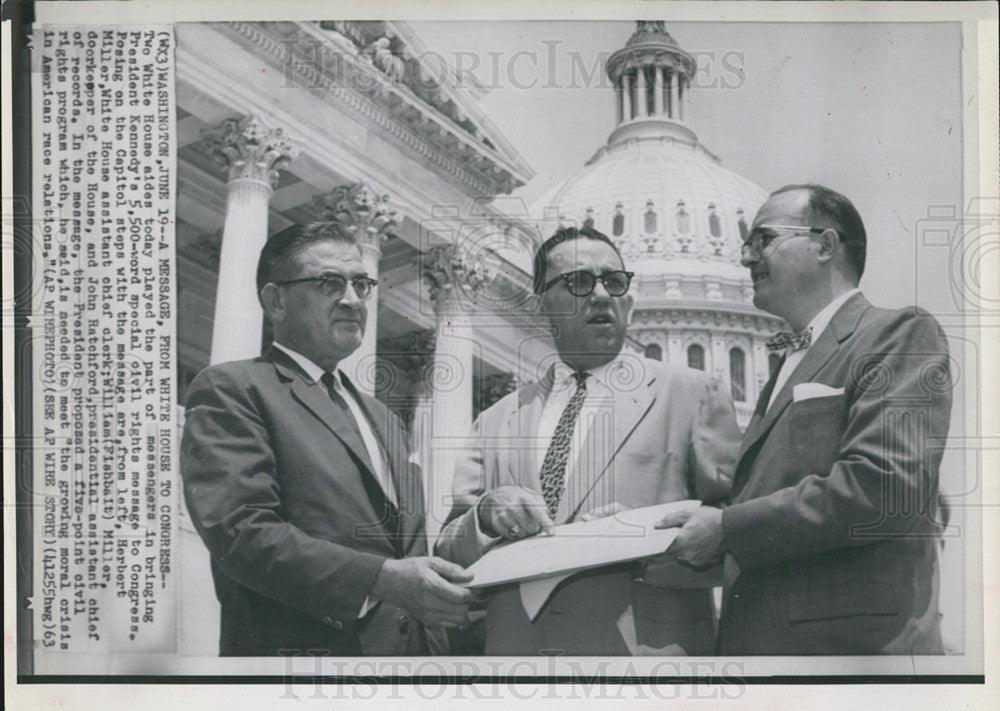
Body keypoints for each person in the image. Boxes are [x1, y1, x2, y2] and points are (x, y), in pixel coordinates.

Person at [657, 184, 952, 655]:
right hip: (775, 651)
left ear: (825, 245)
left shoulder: (897, 333)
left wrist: (729, 528)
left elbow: (885, 485)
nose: (747, 258)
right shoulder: (788, 366)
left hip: (851, 655)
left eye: (762, 240)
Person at [435, 226, 741, 656]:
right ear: (541, 303)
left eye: (613, 282)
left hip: (645, 669)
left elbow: (740, 530)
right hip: (520, 669)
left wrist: (645, 539)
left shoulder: (692, 394)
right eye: (578, 282)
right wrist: (485, 516)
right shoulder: (497, 418)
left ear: (628, 301)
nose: (600, 295)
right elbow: (449, 550)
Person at [181, 221, 475, 656]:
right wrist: (380, 579)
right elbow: (240, 531)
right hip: (296, 674)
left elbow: (409, 547)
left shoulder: (384, 418)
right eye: (329, 283)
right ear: (276, 301)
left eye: (362, 283)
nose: (353, 300)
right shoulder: (235, 389)